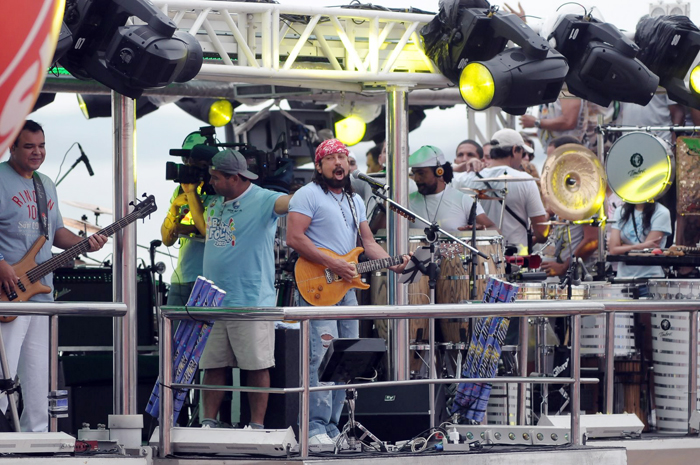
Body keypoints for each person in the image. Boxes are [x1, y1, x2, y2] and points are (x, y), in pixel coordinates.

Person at [286, 139, 408, 446]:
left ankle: (331, 426)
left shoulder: (355, 200)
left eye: (344, 157)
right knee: (320, 357)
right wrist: (334, 264)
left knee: (345, 358)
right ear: (319, 166)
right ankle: (313, 427)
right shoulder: (307, 194)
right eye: (332, 158)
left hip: (345, 290)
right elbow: (294, 238)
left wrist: (393, 263)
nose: (340, 163)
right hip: (318, 283)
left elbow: (366, 243)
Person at [0, 120, 107, 432]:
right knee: (3, 370)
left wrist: (84, 242)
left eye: (42, 145)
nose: (37, 152)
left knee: (38, 373)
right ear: (12, 148)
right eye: (29, 146)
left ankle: (38, 439)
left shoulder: (45, 183)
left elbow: (55, 233)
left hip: (41, 294)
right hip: (8, 293)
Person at [196, 149, 293, 430]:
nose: (211, 181)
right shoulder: (214, 201)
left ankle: (257, 425)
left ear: (234, 178)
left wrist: (316, 187)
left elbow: (290, 203)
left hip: (250, 300)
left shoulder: (263, 198)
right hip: (212, 300)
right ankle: (207, 423)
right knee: (211, 365)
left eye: (215, 177)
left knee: (256, 365)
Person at [458, 129, 548, 253]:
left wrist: (462, 166)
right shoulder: (525, 180)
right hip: (516, 259)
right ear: (514, 150)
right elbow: (542, 233)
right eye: (522, 153)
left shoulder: (466, 178)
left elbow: (440, 175)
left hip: (476, 259)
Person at [160, 132, 215, 306]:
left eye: (194, 160)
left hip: (208, 278)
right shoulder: (180, 191)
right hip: (181, 278)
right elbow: (167, 240)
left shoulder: (217, 192)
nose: (189, 165)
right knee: (172, 333)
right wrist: (174, 208)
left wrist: (187, 228)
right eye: (186, 160)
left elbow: (208, 230)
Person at [408, 145, 495, 231]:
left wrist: (481, 231)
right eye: (414, 173)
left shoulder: (464, 200)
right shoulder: (406, 202)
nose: (416, 178)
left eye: (421, 173)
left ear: (439, 172)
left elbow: (494, 229)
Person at [608, 202, 672, 279]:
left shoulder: (661, 212)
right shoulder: (620, 211)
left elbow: (648, 250)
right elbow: (613, 250)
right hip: (622, 278)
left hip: (650, 278)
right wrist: (641, 246)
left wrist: (622, 246)